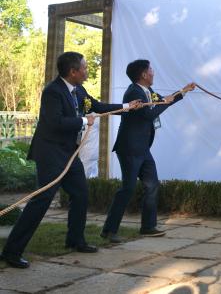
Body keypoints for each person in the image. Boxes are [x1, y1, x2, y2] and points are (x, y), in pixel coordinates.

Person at [0, 52, 140, 269]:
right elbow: (56, 123)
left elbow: (97, 106)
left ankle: (75, 240)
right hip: (50, 153)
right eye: (84, 68)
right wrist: (84, 121)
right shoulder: (52, 92)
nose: (87, 71)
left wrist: (127, 107)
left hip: (68, 153)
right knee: (42, 200)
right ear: (73, 71)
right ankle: (11, 251)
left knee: (80, 193)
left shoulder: (79, 90)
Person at [100, 59, 195, 242]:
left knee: (152, 185)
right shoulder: (133, 92)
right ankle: (109, 230)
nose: (153, 72)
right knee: (127, 189)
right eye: (150, 69)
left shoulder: (147, 91)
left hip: (143, 148)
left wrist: (183, 90)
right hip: (129, 148)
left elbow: (162, 101)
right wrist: (165, 103)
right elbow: (149, 114)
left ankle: (148, 227)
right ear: (143, 74)